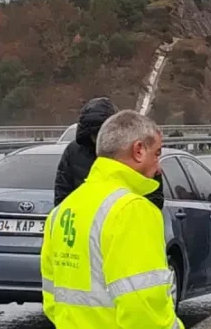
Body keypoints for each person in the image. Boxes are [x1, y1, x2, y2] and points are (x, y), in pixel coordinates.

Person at [41, 111, 179, 329]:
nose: (158, 166)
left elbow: (52, 300)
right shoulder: (132, 210)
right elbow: (143, 309)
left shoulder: (63, 210)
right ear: (139, 150)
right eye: (157, 153)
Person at [55, 97, 164, 209]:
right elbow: (62, 193)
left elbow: (154, 199)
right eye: (95, 134)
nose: (99, 139)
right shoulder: (74, 152)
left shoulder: (130, 151)